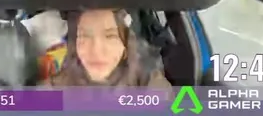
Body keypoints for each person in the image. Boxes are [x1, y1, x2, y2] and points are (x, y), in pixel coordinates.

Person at [43, 9, 171, 87]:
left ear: (125, 47)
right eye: (84, 36)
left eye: (110, 36)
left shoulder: (148, 84)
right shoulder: (54, 90)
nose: (96, 51)